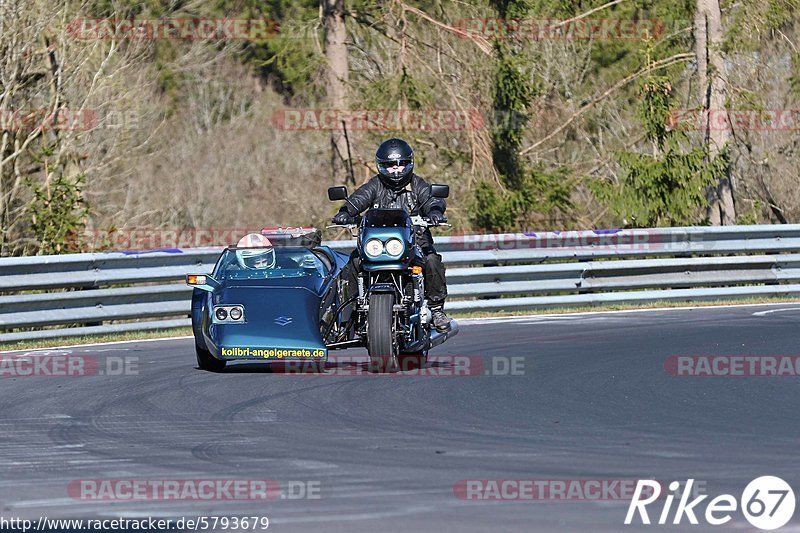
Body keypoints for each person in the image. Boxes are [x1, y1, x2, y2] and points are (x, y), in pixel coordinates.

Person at [332, 138, 451, 331]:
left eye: (401, 164)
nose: (396, 170)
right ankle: (351, 310)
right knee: (353, 262)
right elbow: (358, 199)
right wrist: (345, 212)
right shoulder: (375, 185)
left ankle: (436, 309)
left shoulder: (416, 185)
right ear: (381, 166)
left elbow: (431, 199)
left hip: (414, 243)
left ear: (409, 164)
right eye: (390, 166)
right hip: (377, 245)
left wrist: (435, 211)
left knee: (432, 260)